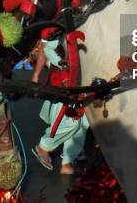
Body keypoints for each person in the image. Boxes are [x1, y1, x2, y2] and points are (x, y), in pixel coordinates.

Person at [30, 28, 89, 175]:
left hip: (78, 89)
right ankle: (44, 147)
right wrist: (37, 74)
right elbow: (45, 48)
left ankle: (68, 160)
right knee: (71, 122)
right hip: (62, 92)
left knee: (83, 123)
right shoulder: (53, 40)